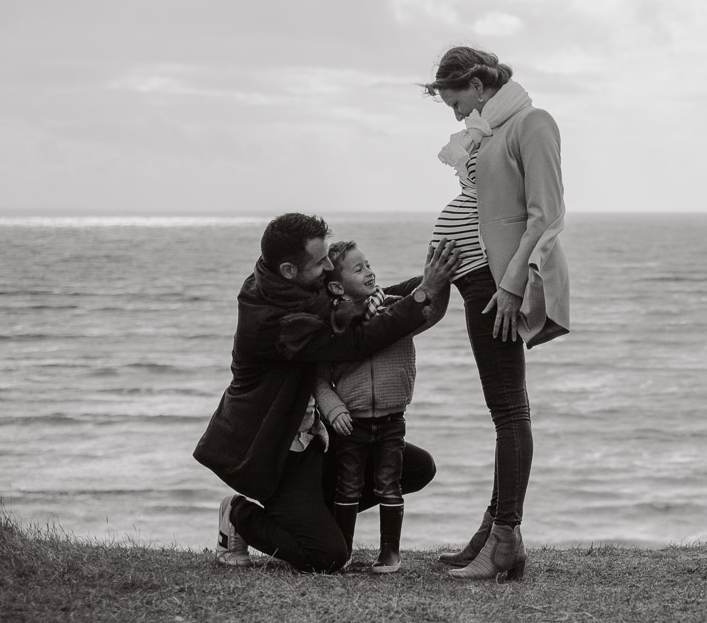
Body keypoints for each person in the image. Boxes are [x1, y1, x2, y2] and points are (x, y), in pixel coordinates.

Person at [194, 213, 458, 572]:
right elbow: (358, 342)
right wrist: (425, 290)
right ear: (289, 269)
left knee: (415, 468)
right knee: (326, 557)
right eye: (321, 262)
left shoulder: (296, 287)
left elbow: (367, 296)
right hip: (277, 452)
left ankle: (309, 517)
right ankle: (238, 514)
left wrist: (437, 278)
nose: (330, 266)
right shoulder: (275, 323)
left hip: (316, 439)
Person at [425, 46, 569, 581]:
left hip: (495, 284)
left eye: (455, 98)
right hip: (473, 280)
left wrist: (511, 287)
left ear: (479, 85)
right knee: (502, 410)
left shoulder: (532, 123)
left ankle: (504, 539)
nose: (453, 111)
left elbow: (546, 215)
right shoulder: (487, 132)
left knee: (510, 411)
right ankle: (493, 532)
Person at [313, 239, 443, 574]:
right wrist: (334, 409)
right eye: (359, 269)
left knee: (390, 484)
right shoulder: (333, 326)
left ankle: (390, 554)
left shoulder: (396, 309)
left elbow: (432, 311)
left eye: (368, 265)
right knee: (349, 485)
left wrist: (437, 279)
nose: (369, 272)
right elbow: (319, 379)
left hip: (391, 420)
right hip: (350, 424)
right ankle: (341, 551)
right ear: (338, 286)